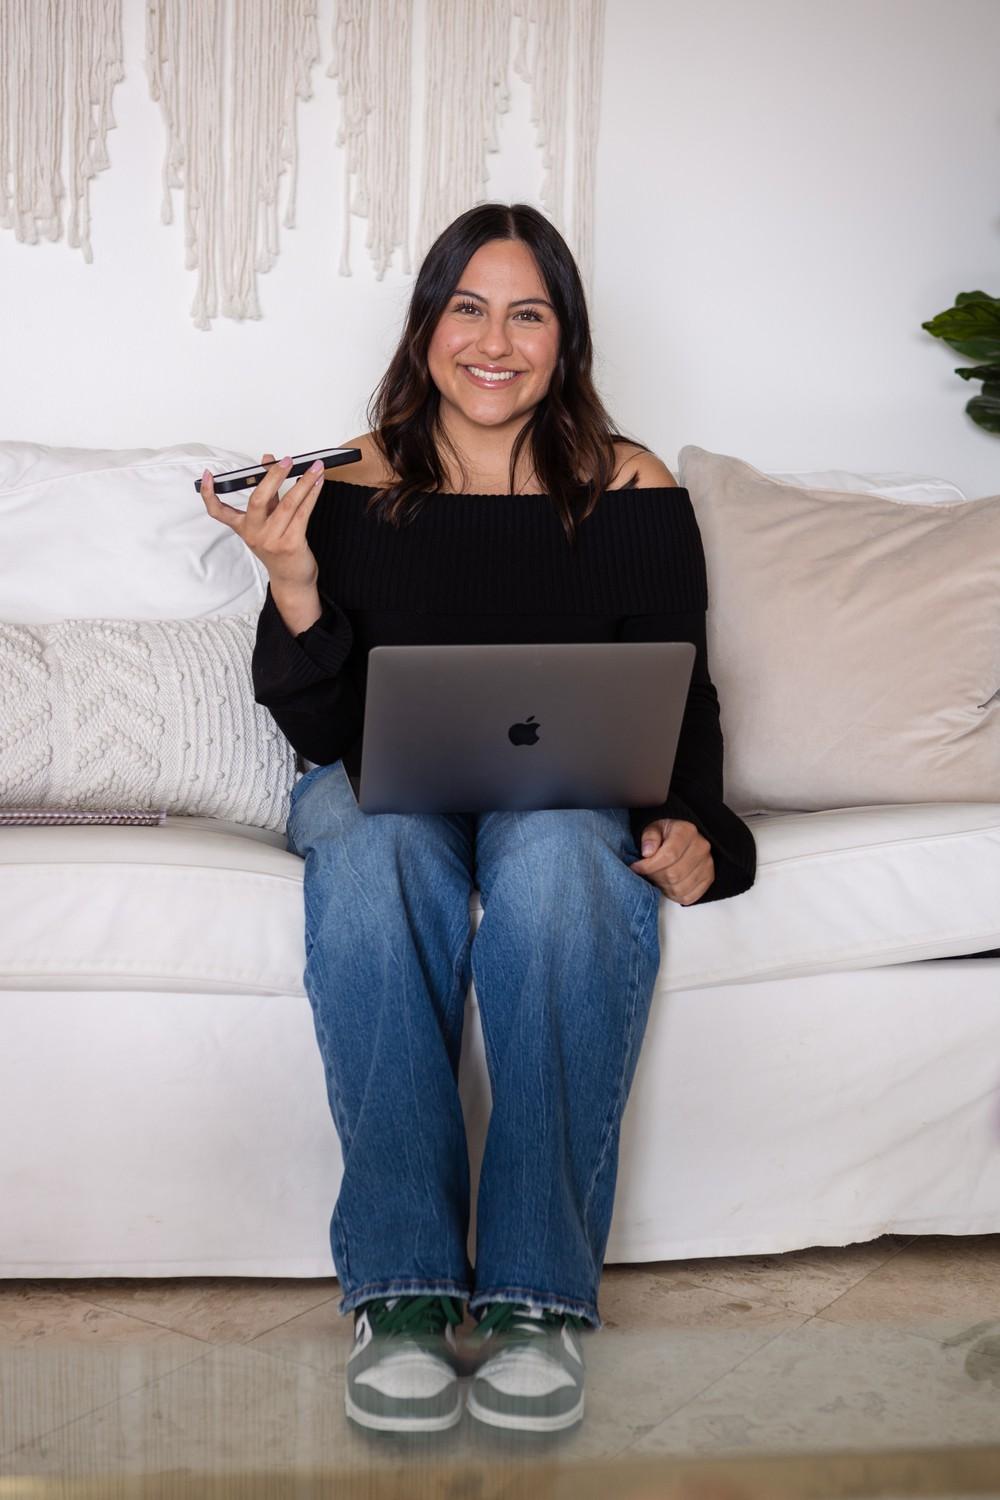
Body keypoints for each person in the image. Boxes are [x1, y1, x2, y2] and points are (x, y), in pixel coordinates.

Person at [199, 201, 756, 1439]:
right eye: (466, 307)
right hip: (381, 784)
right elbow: (314, 728)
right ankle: (399, 1297)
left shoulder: (631, 485)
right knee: (370, 845)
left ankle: (533, 1304)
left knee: (563, 862)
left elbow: (681, 690)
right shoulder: (346, 481)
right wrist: (293, 582)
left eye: (526, 312)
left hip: (565, 795)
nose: (491, 341)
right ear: (426, 325)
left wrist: (697, 826)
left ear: (565, 338)